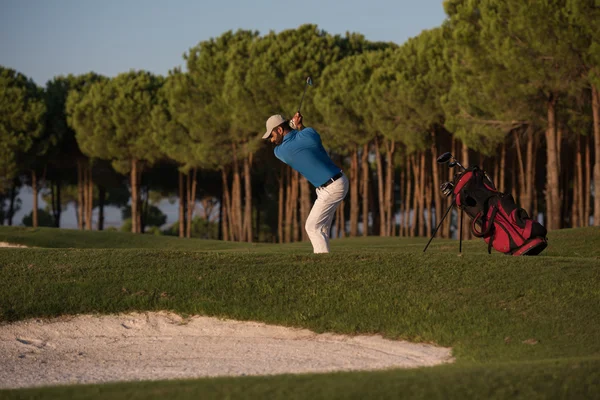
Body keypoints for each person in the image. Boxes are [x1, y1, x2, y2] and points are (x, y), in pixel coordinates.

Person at [262, 112, 348, 253]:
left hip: (332, 187)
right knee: (322, 228)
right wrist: (299, 126)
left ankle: (323, 264)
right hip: (336, 182)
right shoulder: (309, 133)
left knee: (312, 227)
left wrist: (293, 126)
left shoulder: (281, 151)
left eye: (271, 134)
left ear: (279, 130)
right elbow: (305, 138)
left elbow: (288, 143)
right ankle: (327, 259)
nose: (271, 139)